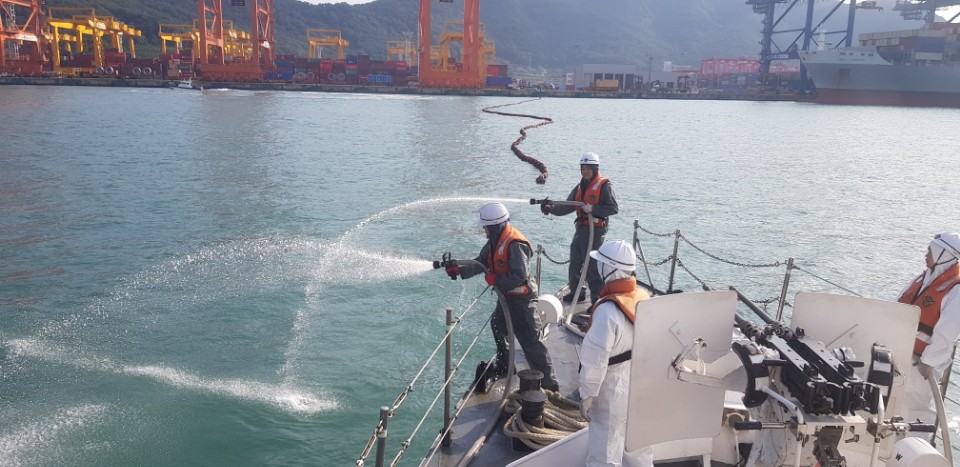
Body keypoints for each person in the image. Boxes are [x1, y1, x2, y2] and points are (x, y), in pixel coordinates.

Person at [444, 202, 560, 392]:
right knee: (498, 326)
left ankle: (550, 386)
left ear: (495, 226)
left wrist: (495, 279)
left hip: (522, 300)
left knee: (531, 341)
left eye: (486, 228)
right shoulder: (494, 241)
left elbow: (519, 276)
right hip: (507, 297)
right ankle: (506, 367)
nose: (484, 231)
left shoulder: (515, 244)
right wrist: (460, 270)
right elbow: (481, 262)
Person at [578, 239, 651, 467]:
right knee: (639, 448)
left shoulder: (607, 311)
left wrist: (587, 394)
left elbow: (595, 359)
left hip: (612, 389)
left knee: (605, 451)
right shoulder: (644, 297)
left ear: (609, 268)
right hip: (639, 383)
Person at [896, 232, 960, 430]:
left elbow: (948, 332)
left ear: (943, 254)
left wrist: (928, 362)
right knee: (895, 405)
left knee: (917, 412)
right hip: (900, 353)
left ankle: (916, 453)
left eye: (930, 250)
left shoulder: (956, 289)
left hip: (923, 364)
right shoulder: (923, 278)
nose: (926, 254)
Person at [540, 152, 619, 305]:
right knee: (575, 262)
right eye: (583, 168)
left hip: (595, 233)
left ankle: (597, 302)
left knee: (592, 268)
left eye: (588, 168)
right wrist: (551, 209)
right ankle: (577, 292)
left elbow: (613, 208)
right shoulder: (580, 186)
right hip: (581, 230)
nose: (585, 171)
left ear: (595, 169)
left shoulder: (605, 186)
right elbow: (568, 205)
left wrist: (594, 209)